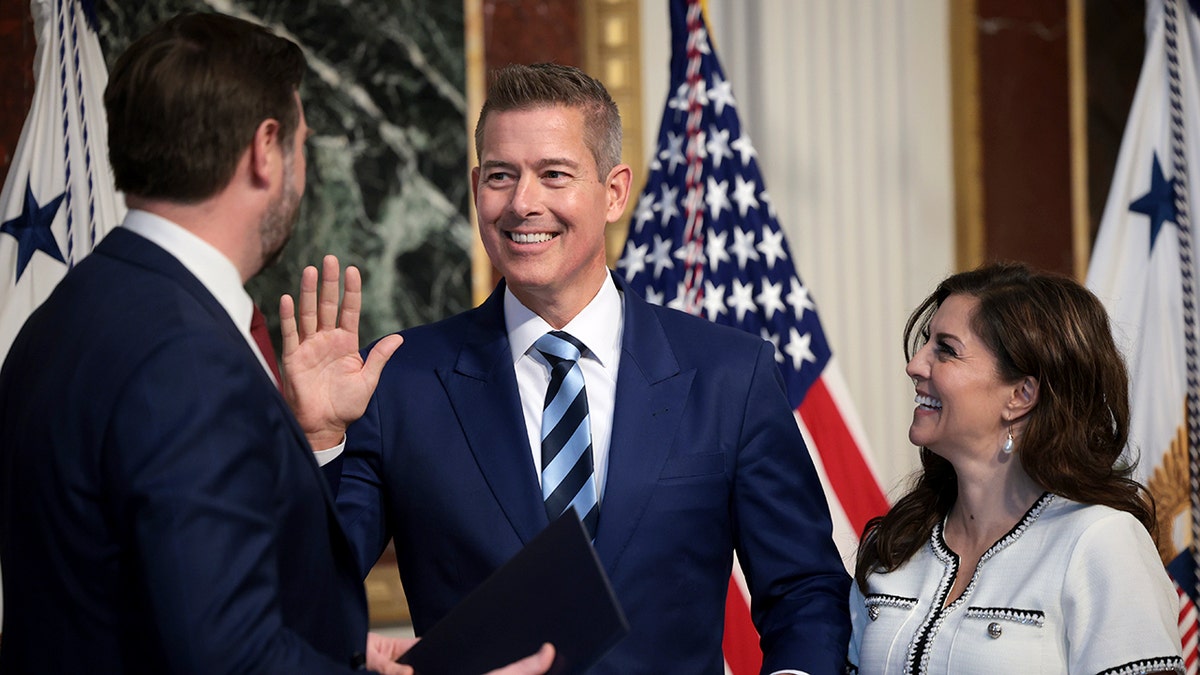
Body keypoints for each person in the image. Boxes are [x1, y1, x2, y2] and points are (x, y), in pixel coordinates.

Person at [0, 12, 550, 675]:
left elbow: (173, 601)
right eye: (302, 140)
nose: (304, 163)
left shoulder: (62, 315)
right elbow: (227, 658)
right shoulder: (186, 357)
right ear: (266, 148)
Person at [297, 63, 850, 674]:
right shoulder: (400, 379)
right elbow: (314, 597)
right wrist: (322, 442)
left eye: (554, 175)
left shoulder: (729, 375)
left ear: (614, 192)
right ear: (478, 186)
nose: (522, 203)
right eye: (501, 176)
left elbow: (803, 591)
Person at [846, 262, 1185, 674]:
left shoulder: (1099, 542)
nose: (915, 365)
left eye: (946, 349)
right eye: (926, 343)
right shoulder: (896, 544)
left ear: (1021, 395)